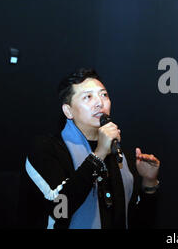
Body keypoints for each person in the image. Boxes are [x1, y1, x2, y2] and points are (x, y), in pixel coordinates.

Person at [19, 68, 160, 229]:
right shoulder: (46, 149)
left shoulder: (121, 156)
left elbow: (139, 222)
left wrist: (149, 183)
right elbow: (59, 209)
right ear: (68, 111)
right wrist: (98, 155)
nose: (100, 102)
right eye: (88, 97)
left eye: (104, 95)